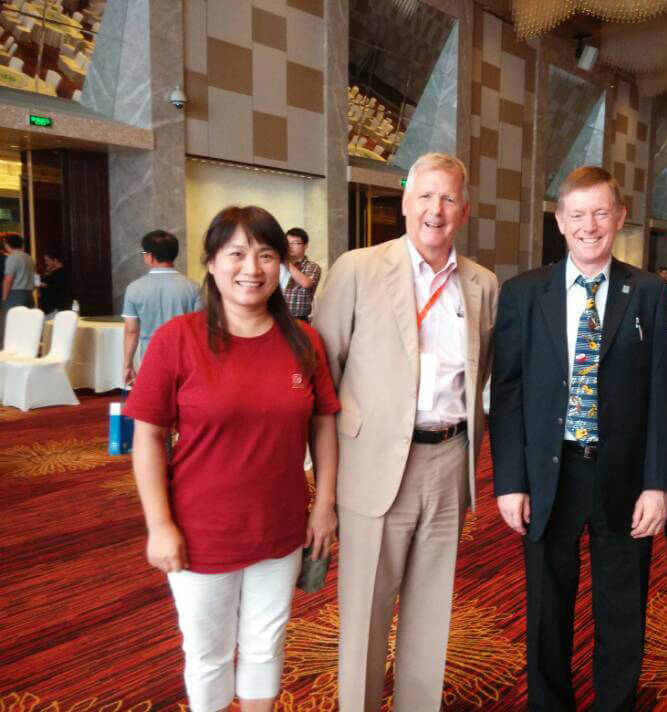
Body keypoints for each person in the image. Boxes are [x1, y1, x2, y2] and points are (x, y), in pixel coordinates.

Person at [124, 206, 340, 712]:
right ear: (211, 262)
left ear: (281, 264)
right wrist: (159, 524)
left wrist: (324, 506)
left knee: (266, 643)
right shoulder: (179, 339)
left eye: (266, 255)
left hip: (280, 526)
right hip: (201, 530)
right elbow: (148, 437)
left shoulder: (303, 341)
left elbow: (324, 424)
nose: (252, 268)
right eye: (236, 254)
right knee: (208, 653)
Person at [313, 152, 498, 712]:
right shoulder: (358, 268)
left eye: (448, 199)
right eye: (425, 196)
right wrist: (322, 481)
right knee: (366, 611)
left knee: (431, 612)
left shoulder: (483, 284)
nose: (435, 210)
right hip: (372, 462)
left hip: (449, 458)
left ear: (464, 210)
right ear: (404, 202)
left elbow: (482, 373)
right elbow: (324, 376)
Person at [490, 166, 667, 712]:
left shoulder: (648, 292)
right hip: (550, 473)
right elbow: (507, 393)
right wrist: (509, 481)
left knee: (622, 607)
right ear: (559, 220)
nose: (589, 226)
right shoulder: (524, 293)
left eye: (600, 213)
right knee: (546, 606)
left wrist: (657, 484)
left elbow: (662, 392)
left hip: (624, 476)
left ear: (619, 217)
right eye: (577, 214)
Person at [121, 230, 203, 384]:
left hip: (150, 356)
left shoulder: (134, 289)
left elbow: (131, 331)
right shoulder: (193, 287)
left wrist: (127, 364)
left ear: (150, 256)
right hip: (185, 357)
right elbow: (200, 328)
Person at [282, 227, 322, 322]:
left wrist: (285, 262)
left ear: (305, 246)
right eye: (287, 243)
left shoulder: (312, 266)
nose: (290, 246)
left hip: (299, 318)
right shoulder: (279, 265)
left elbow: (306, 283)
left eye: (295, 243)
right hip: (276, 316)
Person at [38, 250, 71, 315]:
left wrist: (43, 285)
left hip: (57, 307)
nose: (46, 263)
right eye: (45, 261)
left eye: (48, 261)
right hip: (48, 307)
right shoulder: (51, 271)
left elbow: (56, 288)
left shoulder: (62, 272)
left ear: (55, 260)